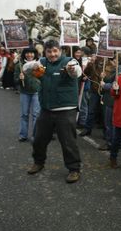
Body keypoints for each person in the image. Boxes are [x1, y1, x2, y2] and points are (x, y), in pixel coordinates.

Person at [27, 40, 83, 183]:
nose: (52, 54)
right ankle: (38, 162)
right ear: (45, 52)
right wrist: (33, 65)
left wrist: (72, 69)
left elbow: (77, 71)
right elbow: (26, 68)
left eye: (55, 51)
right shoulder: (42, 61)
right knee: (39, 139)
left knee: (68, 142)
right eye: (49, 51)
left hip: (66, 109)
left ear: (60, 51)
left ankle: (74, 169)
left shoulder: (70, 61)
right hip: (46, 108)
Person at [100, 53, 121, 152]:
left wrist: (104, 85)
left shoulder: (120, 71)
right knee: (112, 123)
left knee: (110, 123)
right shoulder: (117, 70)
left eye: (115, 60)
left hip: (112, 99)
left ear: (119, 60)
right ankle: (113, 142)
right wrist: (104, 76)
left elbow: (115, 85)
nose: (113, 61)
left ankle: (111, 143)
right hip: (112, 99)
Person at [14, 47, 41, 142]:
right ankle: (23, 135)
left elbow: (42, 77)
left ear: (35, 54)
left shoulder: (39, 64)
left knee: (36, 115)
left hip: (36, 92)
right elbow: (15, 81)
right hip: (24, 92)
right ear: (24, 54)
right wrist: (19, 78)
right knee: (24, 114)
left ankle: (35, 136)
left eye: (32, 53)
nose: (29, 55)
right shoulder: (19, 65)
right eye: (27, 53)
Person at [79, 55, 104, 136]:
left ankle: (106, 133)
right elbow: (84, 74)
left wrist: (104, 77)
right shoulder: (91, 65)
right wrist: (87, 76)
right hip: (94, 90)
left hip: (105, 92)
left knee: (104, 113)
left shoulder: (109, 65)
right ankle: (87, 129)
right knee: (91, 110)